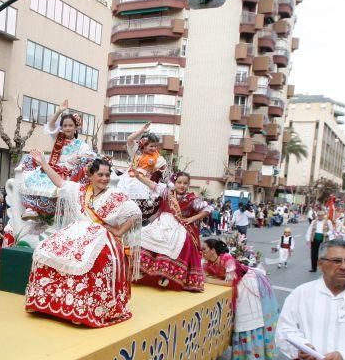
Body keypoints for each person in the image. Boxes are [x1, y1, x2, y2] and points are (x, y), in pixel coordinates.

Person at [25, 154, 141, 328]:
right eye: (100, 175)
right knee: (44, 249)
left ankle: (82, 309)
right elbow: (59, 182)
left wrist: (119, 231)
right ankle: (44, 302)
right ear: (90, 175)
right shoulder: (79, 190)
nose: (104, 178)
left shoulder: (115, 195)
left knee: (94, 260)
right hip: (77, 233)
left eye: (107, 175)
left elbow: (135, 213)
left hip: (101, 236)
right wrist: (43, 163)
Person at [201, 238, 277, 360]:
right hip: (239, 289)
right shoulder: (208, 263)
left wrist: (208, 280)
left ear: (213, 250)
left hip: (248, 286)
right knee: (241, 324)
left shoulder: (227, 259)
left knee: (253, 322)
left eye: (204, 249)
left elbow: (230, 283)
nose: (202, 252)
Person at [132, 170, 210, 291]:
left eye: (185, 183)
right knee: (143, 236)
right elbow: (152, 185)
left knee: (178, 241)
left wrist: (191, 218)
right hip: (161, 223)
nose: (182, 185)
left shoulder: (191, 198)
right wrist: (138, 177)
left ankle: (166, 274)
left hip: (179, 225)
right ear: (175, 182)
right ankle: (142, 269)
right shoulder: (167, 193)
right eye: (179, 182)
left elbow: (207, 209)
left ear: (188, 184)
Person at [18, 100, 97, 217]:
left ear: (76, 128)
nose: (67, 128)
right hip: (53, 167)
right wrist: (59, 111)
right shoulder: (58, 138)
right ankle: (32, 207)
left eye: (70, 125)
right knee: (34, 168)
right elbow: (50, 126)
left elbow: (92, 156)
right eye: (65, 126)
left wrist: (79, 157)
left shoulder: (81, 144)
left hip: (68, 171)